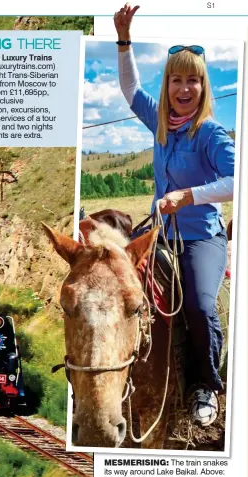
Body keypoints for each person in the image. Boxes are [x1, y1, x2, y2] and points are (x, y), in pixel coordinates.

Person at [113, 3, 235, 427]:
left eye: (193, 80)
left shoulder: (211, 133)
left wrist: (189, 196)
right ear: (167, 85)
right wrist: (124, 39)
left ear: (203, 86)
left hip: (202, 237)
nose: (184, 88)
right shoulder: (161, 123)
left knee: (200, 306)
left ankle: (206, 385)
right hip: (160, 235)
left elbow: (238, 179)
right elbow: (129, 90)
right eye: (176, 80)